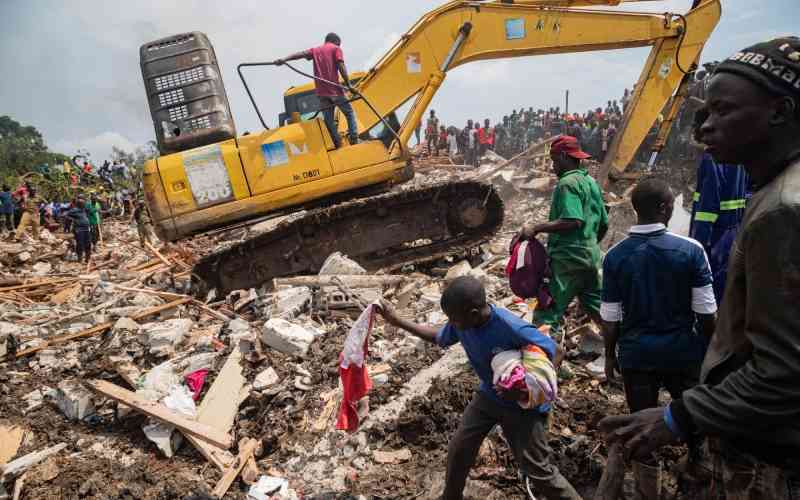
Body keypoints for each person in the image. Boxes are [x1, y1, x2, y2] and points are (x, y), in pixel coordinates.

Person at [599, 37, 800, 499]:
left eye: (722, 111)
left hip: (776, 448)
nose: (705, 127)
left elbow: (784, 368)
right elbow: (711, 314)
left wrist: (678, 417)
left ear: (779, 110)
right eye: (704, 113)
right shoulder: (763, 194)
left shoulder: (781, 210)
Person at [376, 276, 581, 500]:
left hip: (522, 408)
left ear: (473, 314)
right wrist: (396, 320)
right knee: (460, 449)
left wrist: (528, 388)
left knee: (539, 471)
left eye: (453, 320)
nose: (451, 324)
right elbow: (437, 336)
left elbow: (556, 351)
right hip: (489, 397)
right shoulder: (464, 323)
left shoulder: (509, 325)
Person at [601, 178, 717, 498]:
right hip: (682, 354)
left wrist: (611, 356)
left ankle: (647, 489)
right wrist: (712, 353)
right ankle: (696, 473)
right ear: (665, 208)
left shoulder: (614, 257)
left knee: (640, 428)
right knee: (693, 418)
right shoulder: (691, 251)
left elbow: (610, 319)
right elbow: (706, 314)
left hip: (637, 357)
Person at [520, 135, 607, 335]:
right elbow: (603, 222)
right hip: (591, 258)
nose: (553, 167)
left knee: (547, 311)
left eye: (554, 161)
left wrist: (536, 228)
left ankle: (544, 361)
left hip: (567, 261)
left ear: (563, 157)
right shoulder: (590, 182)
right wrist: (589, 245)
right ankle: (620, 352)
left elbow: (573, 220)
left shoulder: (567, 183)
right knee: (601, 311)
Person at [689, 108, 751, 304]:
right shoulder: (739, 155)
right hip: (733, 233)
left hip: (713, 237)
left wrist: (697, 246)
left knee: (707, 291)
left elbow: (707, 209)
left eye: (695, 125)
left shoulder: (711, 158)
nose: (693, 129)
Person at [273, 33, 358, 149]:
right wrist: (348, 84)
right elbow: (341, 65)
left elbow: (300, 54)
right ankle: (354, 139)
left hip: (322, 93)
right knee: (349, 113)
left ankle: (337, 142)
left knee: (329, 121)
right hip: (335, 90)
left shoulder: (316, 50)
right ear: (336, 42)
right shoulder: (336, 49)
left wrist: (284, 59)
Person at [66, 199, 92, 263]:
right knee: (80, 244)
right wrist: (74, 220)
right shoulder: (74, 210)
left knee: (88, 243)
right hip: (79, 230)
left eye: (84, 203)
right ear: (79, 204)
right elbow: (66, 215)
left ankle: (87, 258)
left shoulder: (84, 210)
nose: (84, 204)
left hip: (86, 229)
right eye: (83, 203)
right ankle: (80, 258)